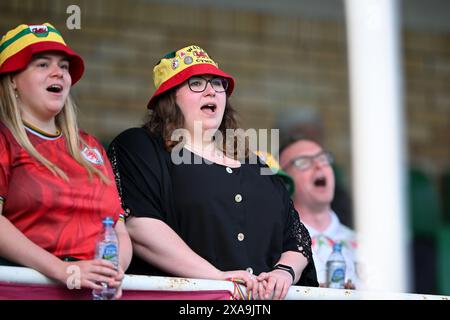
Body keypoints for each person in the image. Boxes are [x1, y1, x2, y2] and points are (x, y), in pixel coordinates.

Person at [107, 44, 318, 300]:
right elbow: (140, 227)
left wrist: (283, 273)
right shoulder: (142, 146)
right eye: (196, 83)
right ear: (170, 98)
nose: (211, 90)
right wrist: (218, 280)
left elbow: (296, 236)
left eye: (218, 84)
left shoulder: (256, 163)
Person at [0, 23, 132, 298]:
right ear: (12, 79)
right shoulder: (4, 139)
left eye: (64, 65)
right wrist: (63, 270)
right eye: (42, 64)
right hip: (27, 292)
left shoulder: (91, 146)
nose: (58, 72)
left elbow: (118, 228)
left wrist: (114, 271)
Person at [280, 137, 361, 289]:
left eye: (323, 158)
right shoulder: (278, 246)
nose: (318, 165)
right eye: (303, 162)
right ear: (284, 181)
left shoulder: (367, 247)